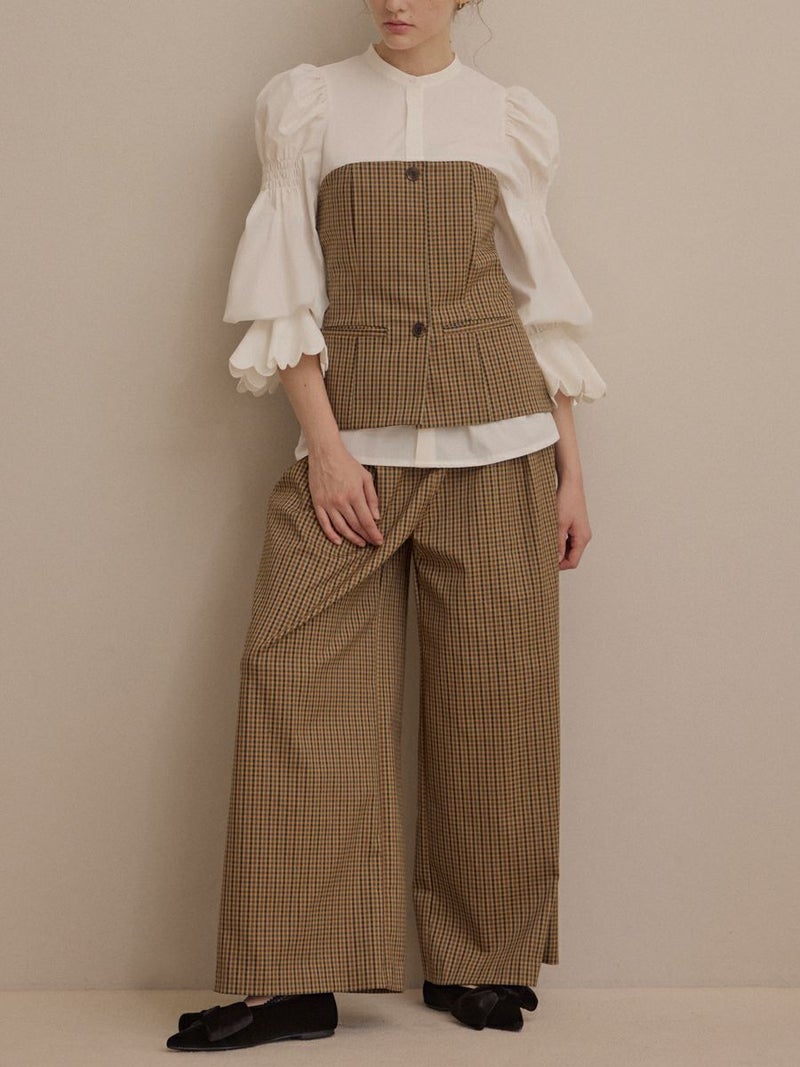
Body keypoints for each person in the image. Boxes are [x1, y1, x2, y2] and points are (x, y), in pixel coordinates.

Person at [166, 0, 607, 1052]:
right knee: (294, 685)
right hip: (353, 452)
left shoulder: (507, 116)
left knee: (495, 709)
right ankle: (295, 979)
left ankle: (479, 961)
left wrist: (570, 470)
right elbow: (284, 285)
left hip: (503, 445)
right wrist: (324, 446)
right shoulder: (308, 105)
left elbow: (537, 304)